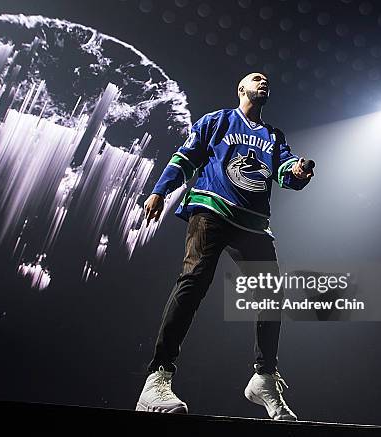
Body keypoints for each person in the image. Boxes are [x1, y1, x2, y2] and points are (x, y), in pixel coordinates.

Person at [135, 72, 314, 420]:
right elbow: (185, 158)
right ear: (241, 89)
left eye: (267, 81)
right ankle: (157, 377)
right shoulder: (216, 121)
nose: (264, 82)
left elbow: (285, 172)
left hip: (252, 223)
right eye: (256, 79)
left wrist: (300, 171)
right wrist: (160, 190)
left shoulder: (273, 136)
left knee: (270, 293)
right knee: (194, 281)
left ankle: (263, 377)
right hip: (212, 209)